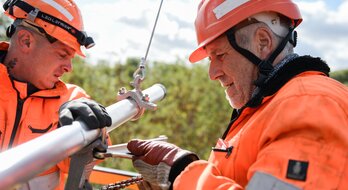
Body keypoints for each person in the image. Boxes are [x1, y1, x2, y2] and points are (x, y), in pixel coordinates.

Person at [127, 0, 348, 189]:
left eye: (220, 55)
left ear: (263, 42)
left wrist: (179, 172)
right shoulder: (265, 109)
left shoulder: (310, 105)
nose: (212, 74)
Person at [0, 0, 111, 189]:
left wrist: (88, 131)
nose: (69, 67)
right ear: (26, 41)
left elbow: (87, 157)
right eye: (62, 54)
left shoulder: (71, 100)